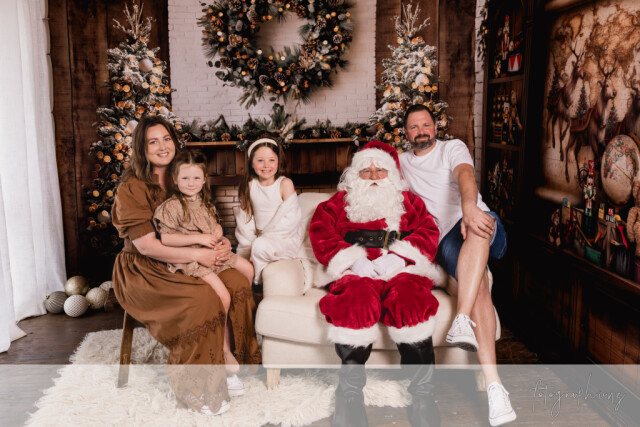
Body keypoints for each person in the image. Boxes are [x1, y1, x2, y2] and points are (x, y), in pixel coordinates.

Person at [111, 116, 261, 417]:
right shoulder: (132, 187)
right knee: (202, 299)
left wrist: (219, 244)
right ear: (141, 148)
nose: (162, 146)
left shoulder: (183, 174)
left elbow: (203, 221)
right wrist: (199, 255)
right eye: (153, 141)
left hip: (191, 256)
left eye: (166, 139)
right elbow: (148, 246)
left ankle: (229, 362)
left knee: (236, 282)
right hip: (145, 268)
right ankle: (200, 385)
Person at [309, 141, 444, 427]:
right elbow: (321, 232)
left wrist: (399, 258)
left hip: (400, 268)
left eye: (380, 170)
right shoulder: (338, 202)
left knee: (411, 299)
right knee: (355, 300)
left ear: (391, 174)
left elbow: (428, 231)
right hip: (357, 270)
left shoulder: (410, 202)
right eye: (366, 171)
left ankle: (423, 395)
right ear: (355, 174)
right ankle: (349, 396)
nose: (373, 176)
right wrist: (354, 260)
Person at [400, 104, 516, 426]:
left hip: (480, 222)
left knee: (477, 226)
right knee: (477, 286)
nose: (421, 131)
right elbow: (369, 168)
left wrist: (469, 208)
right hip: (446, 241)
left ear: (435, 128)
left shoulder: (452, 148)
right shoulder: (402, 162)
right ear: (406, 133)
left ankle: (461, 317)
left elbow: (465, 175)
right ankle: (495, 387)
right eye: (414, 127)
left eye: (426, 125)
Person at [153, 149, 255, 374]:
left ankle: (241, 324)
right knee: (223, 296)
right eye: (185, 178)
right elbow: (167, 238)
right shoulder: (173, 206)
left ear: (204, 179)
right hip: (192, 258)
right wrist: (199, 239)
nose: (191, 183)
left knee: (248, 269)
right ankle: (224, 349)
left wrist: (219, 235)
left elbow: (214, 226)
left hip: (212, 251)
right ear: (175, 179)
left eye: (196, 178)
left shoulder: (204, 202)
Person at [234, 137, 303, 284]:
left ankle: (258, 282)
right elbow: (245, 221)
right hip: (260, 239)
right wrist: (248, 243)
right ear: (252, 163)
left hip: (284, 239)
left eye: (271, 160)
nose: (266, 165)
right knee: (245, 253)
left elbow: (291, 220)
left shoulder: (284, 184)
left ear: (279, 161)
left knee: (260, 246)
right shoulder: (250, 185)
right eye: (260, 160)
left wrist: (263, 239)